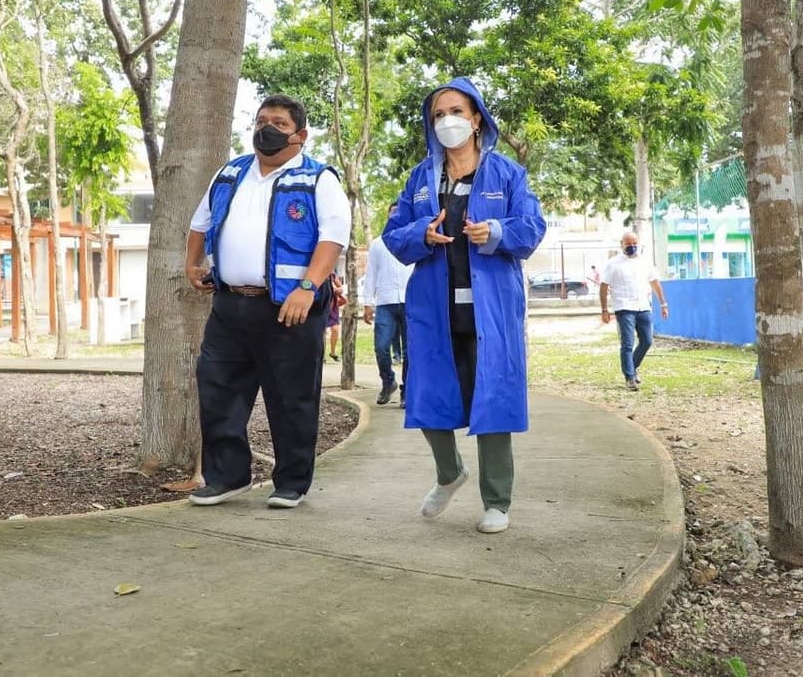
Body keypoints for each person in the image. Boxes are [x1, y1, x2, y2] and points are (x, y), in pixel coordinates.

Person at [383, 77, 546, 535]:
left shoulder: (507, 174)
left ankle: (497, 501)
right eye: (438, 115)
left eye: (456, 112)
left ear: (476, 120)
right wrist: (422, 235)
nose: (446, 122)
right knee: (427, 393)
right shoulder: (421, 178)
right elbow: (393, 234)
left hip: (489, 309)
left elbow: (532, 228)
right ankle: (449, 473)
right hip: (434, 309)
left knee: (491, 397)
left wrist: (495, 232)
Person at [185, 94, 351, 509]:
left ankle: (291, 482)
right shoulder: (230, 173)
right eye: (262, 120)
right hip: (229, 305)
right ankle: (227, 477)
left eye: (278, 122)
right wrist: (191, 265)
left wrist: (309, 288)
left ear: (301, 135)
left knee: (291, 396)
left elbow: (333, 239)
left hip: (290, 307)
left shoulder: (318, 179)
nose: (267, 129)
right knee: (218, 389)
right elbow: (200, 223)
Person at [599, 230, 669, 391]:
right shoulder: (613, 263)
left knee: (647, 341)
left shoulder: (645, 262)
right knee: (627, 343)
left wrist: (663, 304)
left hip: (643, 306)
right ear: (621, 245)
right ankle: (630, 377)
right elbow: (603, 286)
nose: (632, 247)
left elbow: (655, 282)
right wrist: (604, 309)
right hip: (624, 308)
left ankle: (633, 366)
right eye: (628, 244)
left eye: (634, 244)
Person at [361, 201, 414, 407]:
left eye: (399, 213)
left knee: (410, 350)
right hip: (385, 303)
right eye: (392, 212)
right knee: (381, 347)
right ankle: (388, 381)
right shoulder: (378, 244)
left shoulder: (413, 241)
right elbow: (371, 274)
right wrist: (368, 303)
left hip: (410, 302)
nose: (396, 215)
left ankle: (407, 390)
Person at [326, 271, 344, 362]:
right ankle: (322, 355)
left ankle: (332, 353)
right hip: (322, 305)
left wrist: (337, 289)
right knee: (322, 331)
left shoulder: (332, 275)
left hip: (333, 307)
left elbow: (340, 288)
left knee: (335, 329)